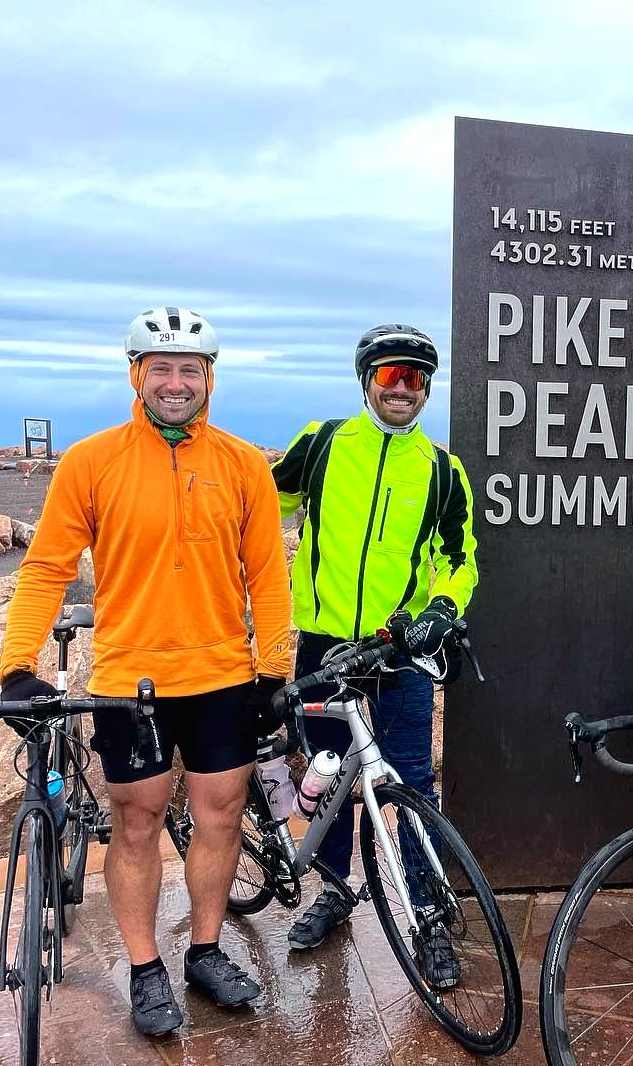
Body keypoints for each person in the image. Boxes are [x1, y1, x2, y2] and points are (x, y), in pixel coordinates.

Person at [0, 307, 292, 1036]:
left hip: (222, 672)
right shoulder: (92, 461)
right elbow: (45, 570)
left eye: (189, 368)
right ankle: (144, 968)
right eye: (160, 366)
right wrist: (15, 667)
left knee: (220, 818)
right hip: (133, 680)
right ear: (136, 373)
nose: (174, 381)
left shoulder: (243, 462)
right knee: (136, 823)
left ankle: (203, 949)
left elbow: (268, 576)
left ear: (209, 379)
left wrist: (273, 671)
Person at [271, 323, 477, 981]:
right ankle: (335, 890)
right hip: (327, 644)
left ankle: (426, 909)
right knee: (328, 767)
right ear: (367, 381)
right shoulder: (323, 444)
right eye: (391, 376)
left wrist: (442, 609)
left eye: (415, 379)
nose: (403, 389)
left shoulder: (443, 471)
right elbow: (257, 506)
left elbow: (460, 557)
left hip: (398, 650)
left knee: (411, 780)